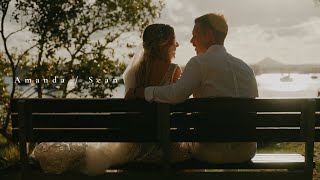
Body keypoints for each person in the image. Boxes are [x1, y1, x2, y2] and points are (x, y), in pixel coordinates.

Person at [30, 23, 191, 176]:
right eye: (174, 41)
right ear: (164, 44)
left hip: (135, 144)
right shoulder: (174, 70)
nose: (176, 46)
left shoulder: (135, 72)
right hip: (165, 148)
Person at [129, 13, 259, 164]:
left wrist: (143, 91)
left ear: (209, 35)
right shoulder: (246, 68)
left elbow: (175, 94)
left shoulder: (199, 63)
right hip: (246, 152)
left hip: (210, 152)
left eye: (195, 36)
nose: (191, 41)